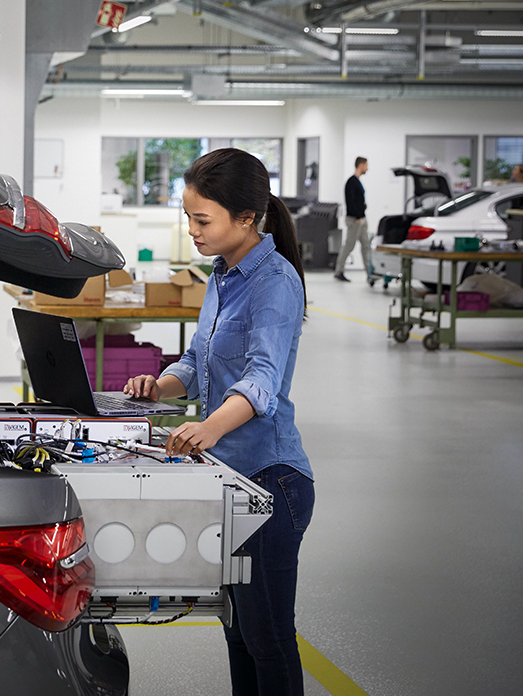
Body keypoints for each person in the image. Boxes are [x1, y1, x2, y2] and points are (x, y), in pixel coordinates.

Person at [124, 148, 314, 696]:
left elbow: (261, 382)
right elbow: (196, 360)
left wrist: (210, 427)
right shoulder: (221, 275)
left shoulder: (274, 281)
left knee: (269, 638)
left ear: (247, 218)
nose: (192, 231)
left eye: (202, 219)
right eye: (188, 217)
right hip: (227, 478)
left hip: (271, 480)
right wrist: (157, 385)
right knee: (238, 634)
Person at [334, 157, 369, 282]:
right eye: (366, 165)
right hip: (354, 220)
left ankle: (370, 273)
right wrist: (358, 216)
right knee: (349, 245)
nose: (367, 168)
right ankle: (339, 271)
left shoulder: (357, 181)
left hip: (361, 219)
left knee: (366, 245)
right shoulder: (351, 182)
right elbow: (351, 202)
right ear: (361, 165)